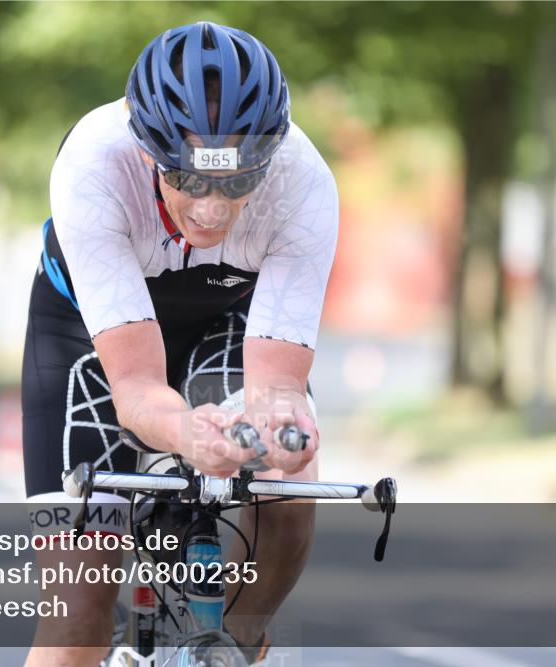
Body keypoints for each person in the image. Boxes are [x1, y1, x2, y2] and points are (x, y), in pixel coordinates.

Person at [21, 21, 338, 666]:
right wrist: (189, 434)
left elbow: (274, 386)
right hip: (89, 331)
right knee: (77, 609)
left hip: (228, 315)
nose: (213, 211)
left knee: (291, 482)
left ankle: (239, 643)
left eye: (239, 181)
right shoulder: (93, 162)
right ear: (148, 154)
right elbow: (136, 389)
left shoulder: (304, 181)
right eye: (190, 181)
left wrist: (278, 427)